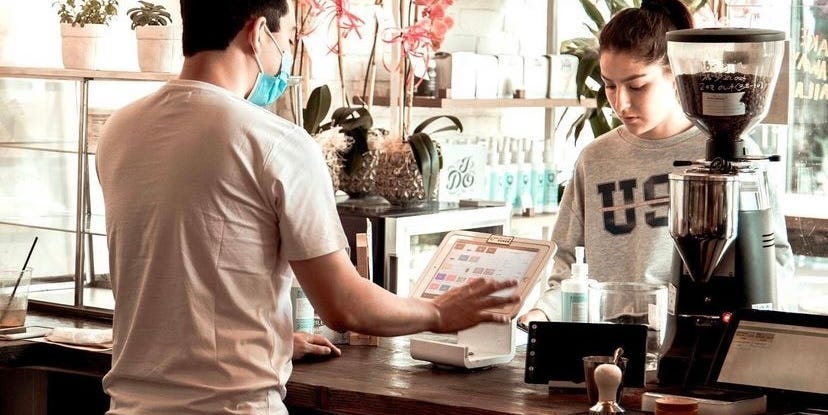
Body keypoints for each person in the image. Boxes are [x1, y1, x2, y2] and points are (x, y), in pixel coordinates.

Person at [96, 1, 519, 414]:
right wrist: (438, 312)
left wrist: (272, 338)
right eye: (287, 40)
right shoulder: (274, 141)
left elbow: (183, 271)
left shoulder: (120, 129)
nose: (285, 59)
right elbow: (343, 304)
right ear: (258, 32)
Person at [520, 0, 793, 324]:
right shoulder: (596, 158)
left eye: (637, 86)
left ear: (675, 76)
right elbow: (566, 265)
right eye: (609, 85)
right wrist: (539, 313)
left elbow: (774, 261)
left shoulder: (731, 154)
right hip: (607, 347)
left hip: (695, 337)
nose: (620, 102)